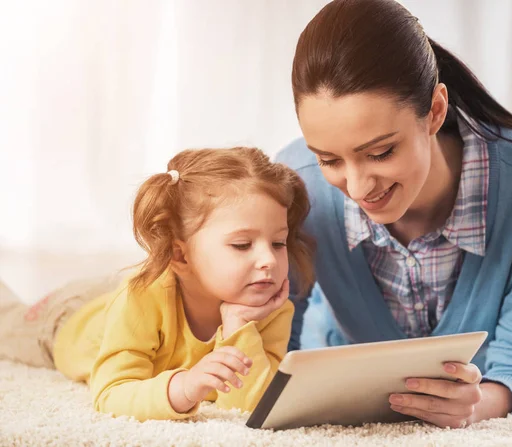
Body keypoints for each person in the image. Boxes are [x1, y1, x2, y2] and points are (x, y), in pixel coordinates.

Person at [276, 0, 512, 429]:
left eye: (381, 152)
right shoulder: (298, 184)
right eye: (329, 159)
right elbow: (272, 334)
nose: (359, 187)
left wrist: (479, 404)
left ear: (435, 111)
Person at [0, 147, 314, 421]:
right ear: (180, 254)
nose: (269, 261)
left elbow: (251, 406)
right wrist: (185, 386)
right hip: (67, 320)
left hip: (122, 291)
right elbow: (111, 393)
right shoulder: (141, 297)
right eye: (242, 245)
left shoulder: (269, 309)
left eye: (278, 243)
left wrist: (238, 328)